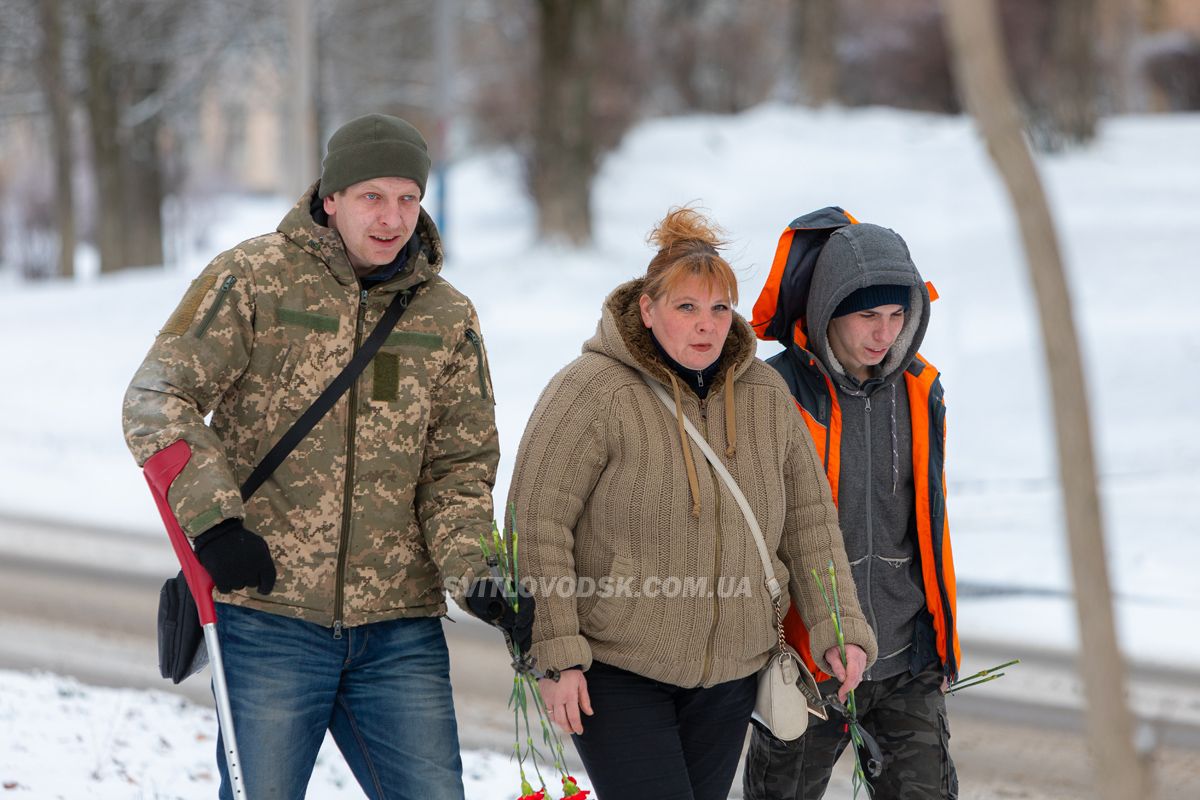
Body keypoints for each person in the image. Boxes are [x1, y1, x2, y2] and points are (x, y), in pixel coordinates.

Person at [122, 113, 529, 799]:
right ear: (331, 196)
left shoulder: (445, 316)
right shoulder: (254, 278)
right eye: (373, 196)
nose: (392, 217)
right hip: (270, 618)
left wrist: (475, 574)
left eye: (408, 198)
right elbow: (158, 397)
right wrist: (217, 524)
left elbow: (457, 468)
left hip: (400, 630)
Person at [506, 207, 878, 800]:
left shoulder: (765, 396)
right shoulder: (590, 391)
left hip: (730, 676)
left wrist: (838, 625)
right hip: (616, 669)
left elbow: (809, 522)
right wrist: (557, 656)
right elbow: (537, 527)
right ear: (647, 310)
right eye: (686, 308)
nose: (706, 327)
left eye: (719, 310)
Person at [743, 211, 961, 799]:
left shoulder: (922, 390)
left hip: (903, 661)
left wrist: (939, 644)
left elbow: (931, 523)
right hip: (809, 665)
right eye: (867, 315)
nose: (884, 333)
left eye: (897, 315)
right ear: (827, 310)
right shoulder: (774, 392)